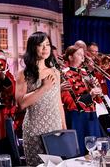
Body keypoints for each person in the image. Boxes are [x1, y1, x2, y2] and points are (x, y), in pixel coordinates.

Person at [16, 32, 66, 166]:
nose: (45, 48)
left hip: (54, 126)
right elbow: (21, 103)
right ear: (33, 47)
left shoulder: (55, 72)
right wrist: (44, 87)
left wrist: (64, 127)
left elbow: (58, 102)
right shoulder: (24, 74)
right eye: (40, 45)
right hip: (34, 128)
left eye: (48, 44)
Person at [61, 45, 102, 155]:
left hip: (92, 115)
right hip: (77, 117)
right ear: (70, 57)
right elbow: (69, 103)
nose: (83, 58)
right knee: (80, 151)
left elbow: (98, 100)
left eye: (83, 55)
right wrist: (90, 96)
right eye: (79, 55)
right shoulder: (64, 74)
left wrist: (97, 90)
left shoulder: (85, 73)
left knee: (95, 151)